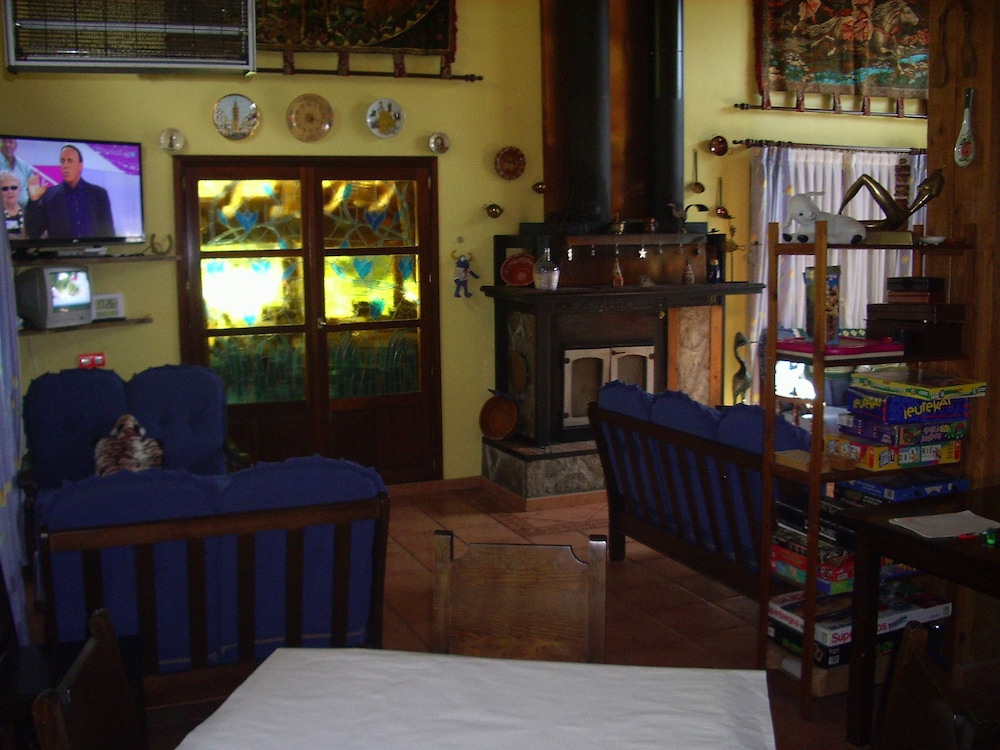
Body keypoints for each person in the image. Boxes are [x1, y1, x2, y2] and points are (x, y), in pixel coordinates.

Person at [24, 144, 115, 240]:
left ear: (80, 166)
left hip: (92, 249)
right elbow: (33, 233)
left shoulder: (99, 194)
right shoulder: (49, 196)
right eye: (62, 161)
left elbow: (109, 233)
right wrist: (33, 200)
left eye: (70, 161)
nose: (65, 166)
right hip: (61, 249)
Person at [0, 138, 35, 208]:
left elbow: (32, 191)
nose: (7, 145)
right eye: (4, 141)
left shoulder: (25, 167)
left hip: (24, 210)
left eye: (10, 142)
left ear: (15, 145)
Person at [1, 170, 25, 237]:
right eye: (5, 189)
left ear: (19, 190)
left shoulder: (28, 210)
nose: (10, 191)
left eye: (14, 188)